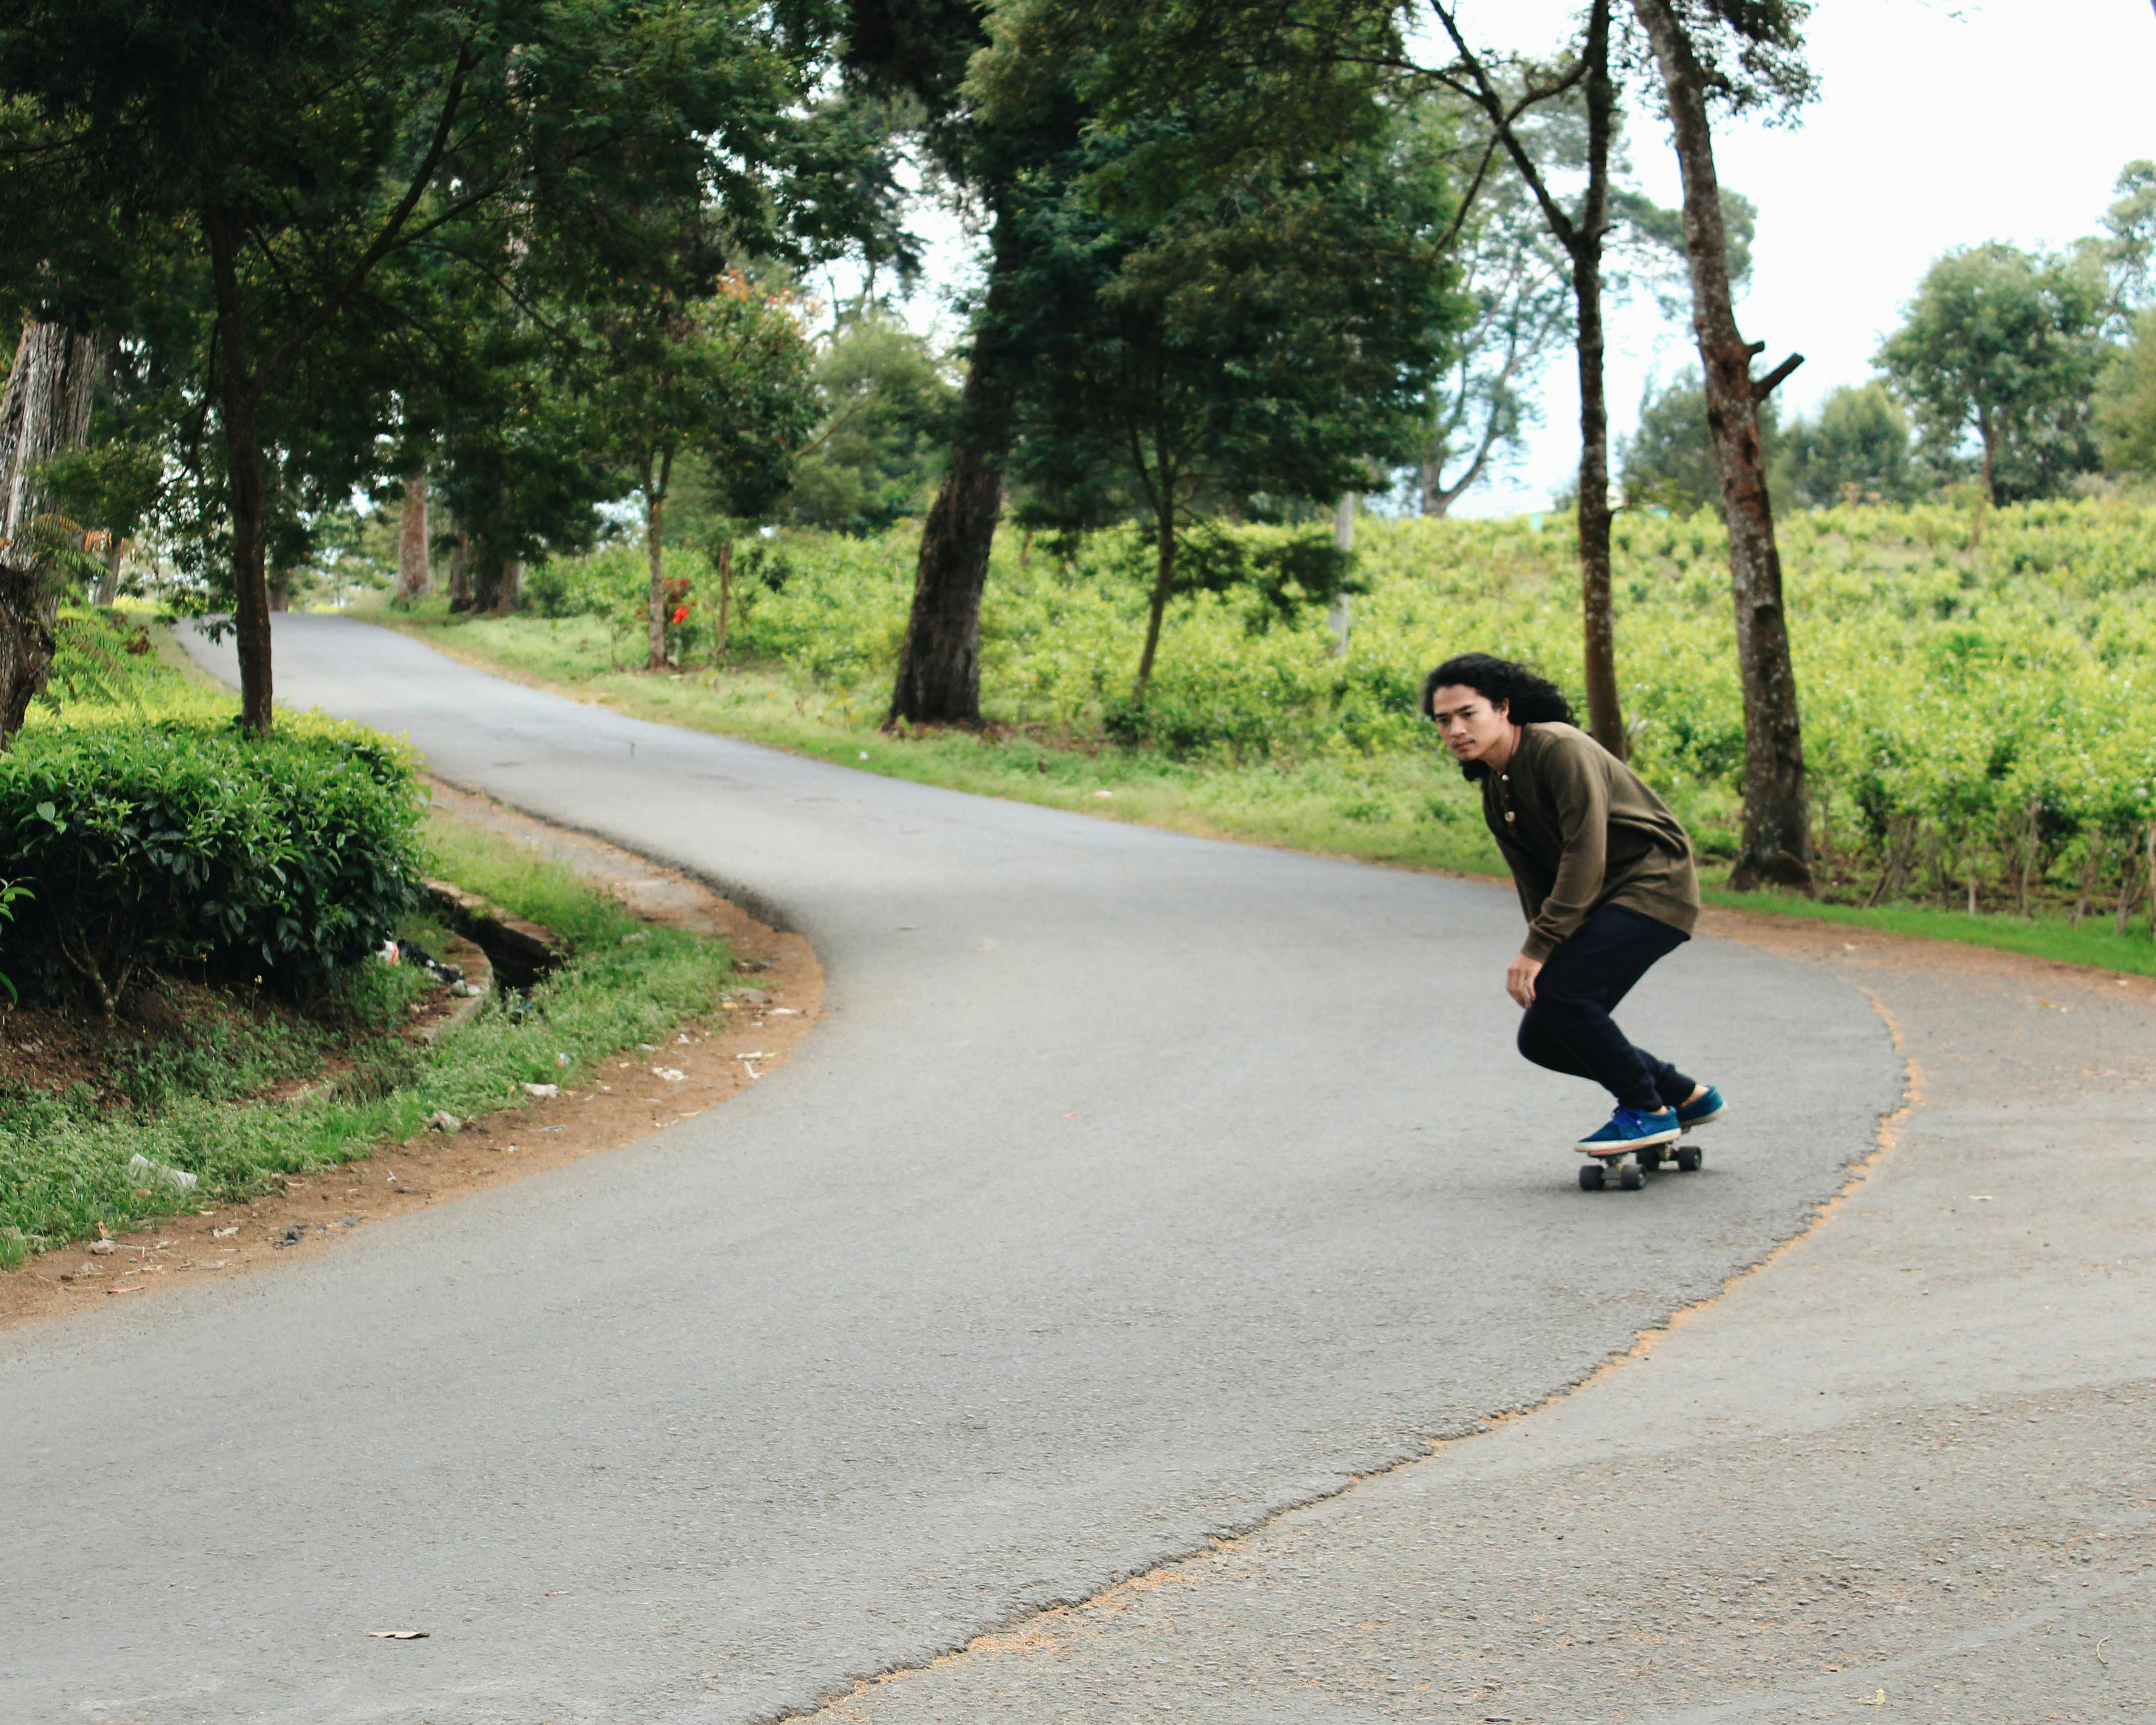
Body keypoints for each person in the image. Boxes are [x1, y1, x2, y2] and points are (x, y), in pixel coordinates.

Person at [1421, 652, 1724, 1154]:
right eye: (1443, 720)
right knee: (1543, 1035)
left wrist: (1538, 950)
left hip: (1653, 887)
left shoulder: (1559, 749)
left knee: (1563, 998)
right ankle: (1683, 1097)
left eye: (1467, 713)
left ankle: (1646, 1111)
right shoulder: (1498, 788)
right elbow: (1535, 882)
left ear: (1503, 709)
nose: (1455, 729)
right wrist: (1548, 954)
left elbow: (1587, 853)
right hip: (1605, 900)